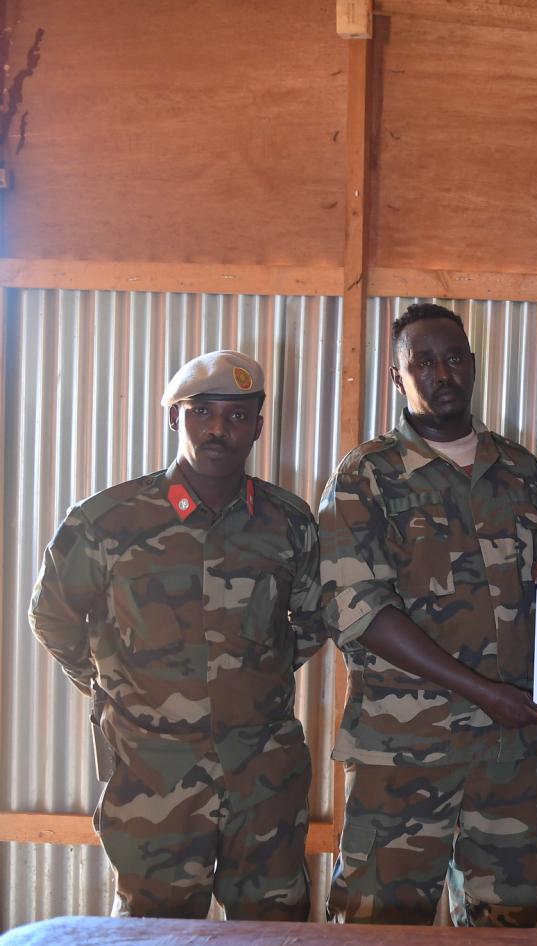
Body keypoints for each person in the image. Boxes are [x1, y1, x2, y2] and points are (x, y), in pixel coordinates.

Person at [30, 350, 324, 920]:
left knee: (273, 927)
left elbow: (313, 620)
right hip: (154, 776)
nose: (218, 429)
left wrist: (248, 683)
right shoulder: (106, 521)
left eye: (237, 416)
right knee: (153, 929)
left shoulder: (289, 522)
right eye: (201, 412)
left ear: (258, 427)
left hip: (263, 776)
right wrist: (112, 686)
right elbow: (53, 616)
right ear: (173, 418)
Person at [319, 302, 537, 926]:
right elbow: (361, 611)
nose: (442, 373)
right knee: (379, 926)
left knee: (506, 926)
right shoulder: (366, 474)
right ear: (397, 377)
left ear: (473, 365)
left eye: (454, 358)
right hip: (405, 753)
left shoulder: (520, 470)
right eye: (422, 362)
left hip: (508, 753)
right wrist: (483, 693)